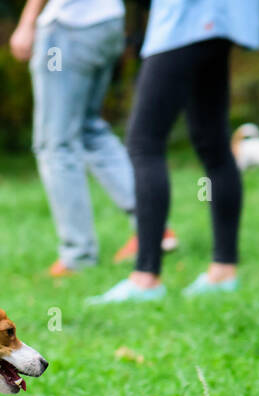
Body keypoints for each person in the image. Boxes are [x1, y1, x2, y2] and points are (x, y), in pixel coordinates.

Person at [88, 0, 259, 303]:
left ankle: (146, 278)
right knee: (214, 143)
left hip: (186, 18)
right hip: (225, 20)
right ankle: (223, 271)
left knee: (145, 142)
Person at [13, 0, 175, 276]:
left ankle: (78, 254)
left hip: (70, 26)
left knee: (56, 144)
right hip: (108, 22)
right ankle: (153, 229)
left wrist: (27, 22)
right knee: (89, 130)